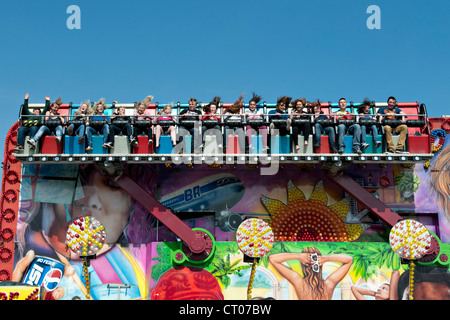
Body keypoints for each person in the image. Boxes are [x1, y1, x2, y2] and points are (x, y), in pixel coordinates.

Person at [268, 247, 353, 300]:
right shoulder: (329, 284)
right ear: (320, 265)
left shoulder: (299, 282)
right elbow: (349, 260)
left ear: (303, 265)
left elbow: (273, 259)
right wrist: (326, 258)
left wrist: (299, 256)